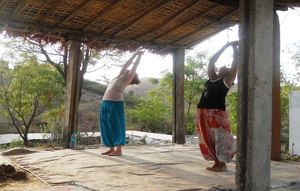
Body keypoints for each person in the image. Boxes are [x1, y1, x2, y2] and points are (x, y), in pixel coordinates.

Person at [196, 41, 238, 172]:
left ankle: (223, 164)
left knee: (220, 137)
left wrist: (234, 48)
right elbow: (212, 61)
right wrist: (224, 46)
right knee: (208, 138)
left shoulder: (227, 80)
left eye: (226, 67)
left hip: (216, 112)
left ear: (227, 72)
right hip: (202, 111)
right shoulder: (212, 77)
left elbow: (235, 64)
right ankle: (216, 162)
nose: (224, 66)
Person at [100, 52, 143, 156]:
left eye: (129, 71)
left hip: (115, 104)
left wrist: (139, 56)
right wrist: (133, 55)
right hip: (105, 103)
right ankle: (111, 148)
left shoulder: (127, 78)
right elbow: (126, 65)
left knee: (116, 125)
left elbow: (134, 66)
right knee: (106, 125)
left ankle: (118, 150)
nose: (127, 70)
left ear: (131, 76)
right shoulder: (118, 76)